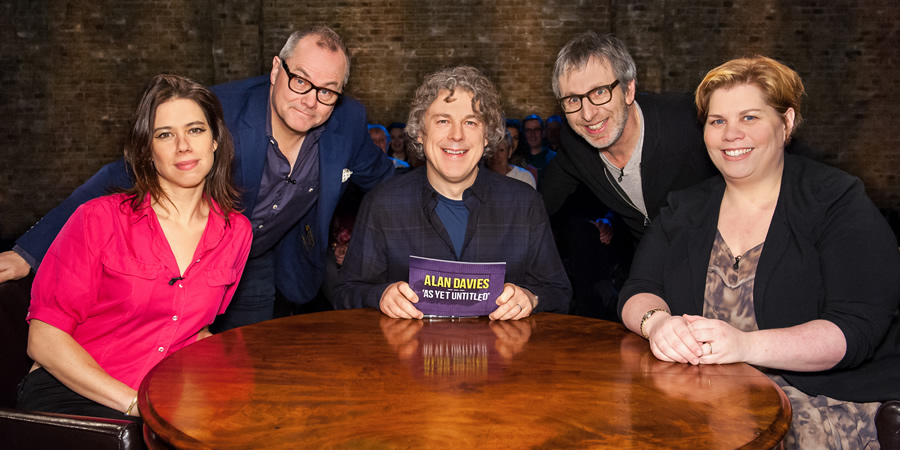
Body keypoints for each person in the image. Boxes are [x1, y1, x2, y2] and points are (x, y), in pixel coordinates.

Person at [0, 26, 394, 332]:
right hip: (190, 259)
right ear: (277, 69)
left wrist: (449, 182)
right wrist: (28, 253)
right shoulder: (219, 110)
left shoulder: (348, 120)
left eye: (328, 91)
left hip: (260, 257)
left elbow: (384, 180)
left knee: (245, 361)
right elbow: (119, 174)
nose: (310, 100)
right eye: (301, 81)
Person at [618, 56, 900, 447]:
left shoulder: (836, 199)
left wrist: (745, 345)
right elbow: (638, 289)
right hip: (702, 395)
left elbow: (856, 328)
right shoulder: (684, 207)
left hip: (817, 401)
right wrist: (657, 323)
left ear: (786, 123)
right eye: (718, 121)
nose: (731, 133)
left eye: (749, 117)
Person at [16, 74, 253, 420]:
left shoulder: (236, 232)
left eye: (196, 130)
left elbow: (194, 329)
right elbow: (43, 339)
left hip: (164, 390)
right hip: (73, 391)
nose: (183, 146)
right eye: (165, 135)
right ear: (146, 150)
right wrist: (135, 404)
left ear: (216, 140)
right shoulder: (98, 219)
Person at [333, 66, 571, 320]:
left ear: (487, 136)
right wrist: (379, 296)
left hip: (502, 358)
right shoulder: (382, 204)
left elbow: (558, 293)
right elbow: (346, 293)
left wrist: (532, 298)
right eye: (443, 121)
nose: (457, 135)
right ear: (421, 134)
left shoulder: (525, 204)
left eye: (470, 122)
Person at [541, 32, 718, 242]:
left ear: (628, 90)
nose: (587, 114)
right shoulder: (575, 145)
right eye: (572, 99)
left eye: (599, 92)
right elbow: (536, 207)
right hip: (650, 263)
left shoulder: (688, 120)